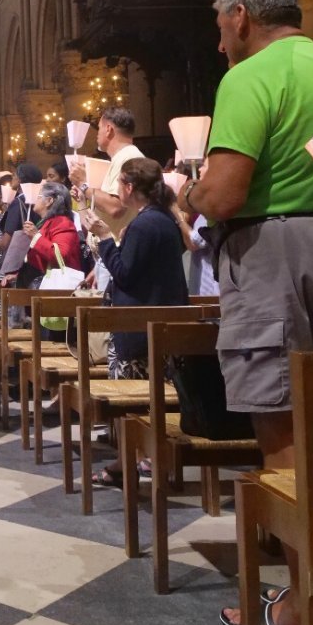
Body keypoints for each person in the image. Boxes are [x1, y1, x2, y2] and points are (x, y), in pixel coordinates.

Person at [180, 0, 313, 625]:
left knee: (286, 432)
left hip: (273, 257)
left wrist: (194, 194)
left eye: (219, 26)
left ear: (240, 17)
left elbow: (227, 194)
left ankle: (301, 609)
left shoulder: (251, 75)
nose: (217, 40)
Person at [82, 157, 188, 486]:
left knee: (133, 405)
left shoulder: (146, 224)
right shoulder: (160, 220)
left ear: (129, 187)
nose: (116, 191)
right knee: (146, 404)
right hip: (156, 322)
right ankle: (139, 459)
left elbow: (126, 274)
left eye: (119, 185)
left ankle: (133, 461)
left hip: (140, 327)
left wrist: (103, 238)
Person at [70, 107, 145, 238]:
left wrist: (84, 183)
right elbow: (98, 216)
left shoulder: (128, 157)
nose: (97, 133)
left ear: (109, 129)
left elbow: (115, 208)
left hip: (117, 248)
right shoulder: (121, 157)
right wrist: (82, 198)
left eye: (99, 128)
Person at [20, 181, 82, 277]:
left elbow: (61, 255)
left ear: (49, 201)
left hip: (57, 285)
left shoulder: (63, 223)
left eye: (38, 196)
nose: (34, 199)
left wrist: (36, 237)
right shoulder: (46, 222)